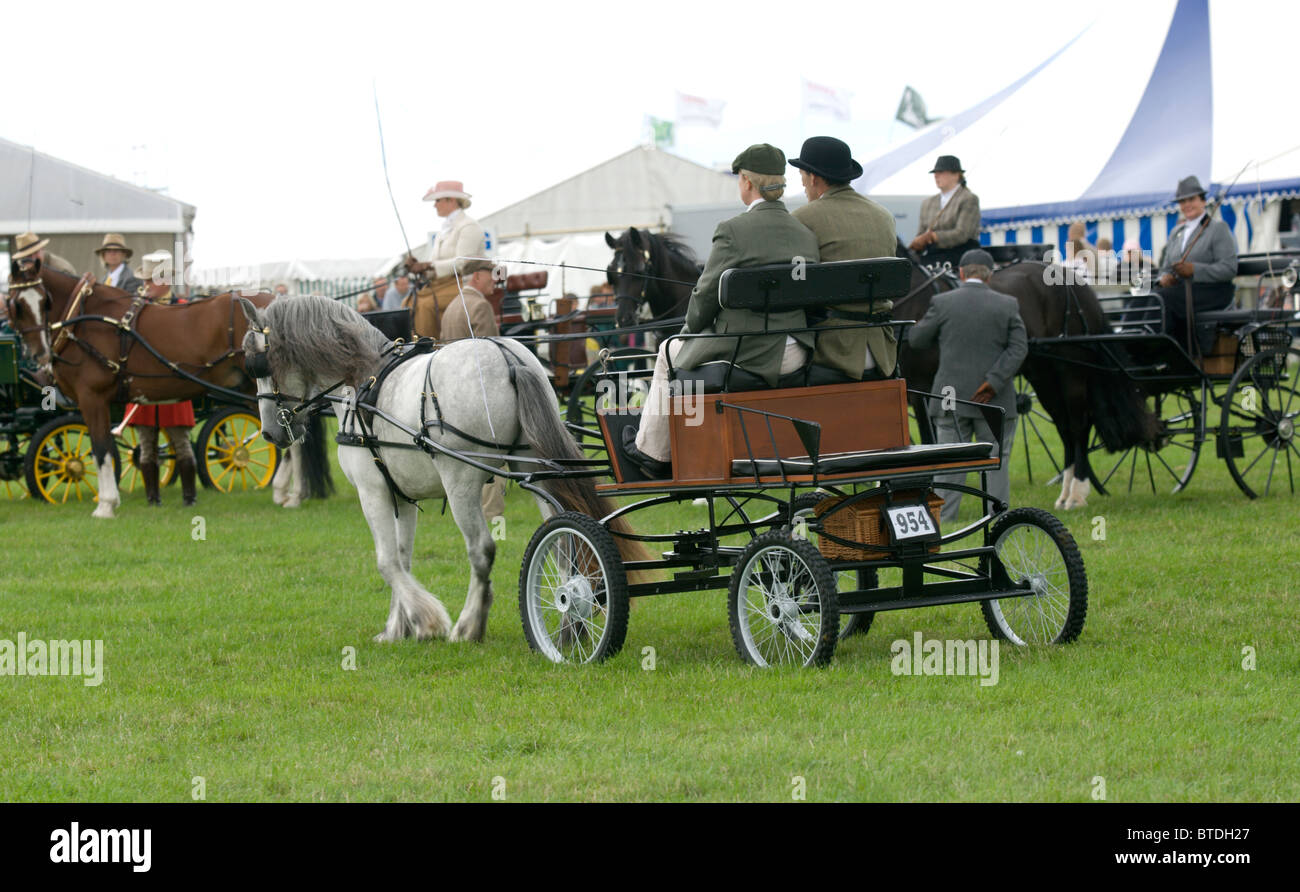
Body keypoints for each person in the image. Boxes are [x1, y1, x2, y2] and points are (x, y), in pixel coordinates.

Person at [622, 143, 819, 478]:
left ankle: (652, 452)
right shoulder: (804, 233)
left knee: (669, 351)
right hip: (798, 350)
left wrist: (689, 332)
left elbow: (704, 296)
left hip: (752, 351)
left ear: (746, 182)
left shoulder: (733, 231)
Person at [907, 248, 1027, 525]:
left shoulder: (942, 302)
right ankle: (998, 521)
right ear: (990, 275)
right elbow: (1019, 348)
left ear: (960, 274)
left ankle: (942, 521)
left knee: (949, 463)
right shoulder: (1008, 304)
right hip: (994, 400)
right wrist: (993, 382)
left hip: (951, 398)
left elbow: (917, 340)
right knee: (996, 462)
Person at [789, 135, 898, 379]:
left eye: (803, 179)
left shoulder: (803, 218)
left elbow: (795, 290)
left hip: (834, 349)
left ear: (814, 178)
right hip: (883, 348)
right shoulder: (884, 216)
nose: (804, 186)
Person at [125, 250, 198, 507]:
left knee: (182, 444)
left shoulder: (182, 308)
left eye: (149, 281)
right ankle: (152, 499)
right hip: (145, 386)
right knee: (146, 446)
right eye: (143, 281)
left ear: (164, 281)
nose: (144, 286)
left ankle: (189, 498)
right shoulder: (136, 310)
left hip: (174, 385)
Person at [437, 258, 506, 522]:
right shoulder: (480, 306)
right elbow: (493, 356)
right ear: (477, 276)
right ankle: (493, 518)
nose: (495, 280)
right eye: (491, 275)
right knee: (494, 459)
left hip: (455, 397)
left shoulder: (453, 306)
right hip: (481, 397)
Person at [1153, 175, 1238, 353]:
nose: (1186, 205)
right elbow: (1166, 266)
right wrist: (1164, 278)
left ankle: (1159, 347)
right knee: (1150, 295)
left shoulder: (1217, 229)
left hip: (1211, 292)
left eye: (1191, 199)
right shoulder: (1177, 232)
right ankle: (1132, 337)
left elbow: (1229, 268)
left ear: (1202, 200)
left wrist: (1194, 270)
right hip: (1181, 291)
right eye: (1182, 201)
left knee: (1164, 298)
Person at [405, 181, 488, 337]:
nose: (434, 205)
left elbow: (463, 262)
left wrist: (429, 266)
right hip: (442, 284)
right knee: (408, 303)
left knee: (425, 306)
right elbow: (433, 266)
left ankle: (431, 348)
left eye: (438, 200)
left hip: (464, 283)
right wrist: (417, 268)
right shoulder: (443, 231)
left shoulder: (469, 226)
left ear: (451, 200)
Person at [908, 156, 981, 271]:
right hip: (932, 255)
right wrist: (918, 242)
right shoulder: (927, 203)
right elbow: (921, 233)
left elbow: (962, 233)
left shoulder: (968, 198)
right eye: (935, 173)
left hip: (960, 256)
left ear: (956, 174)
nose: (936, 176)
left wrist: (933, 236)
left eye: (941, 172)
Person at [12, 231, 76, 276]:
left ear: (42, 249)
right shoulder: (20, 269)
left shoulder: (62, 271)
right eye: (28, 256)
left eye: (36, 252)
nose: (33, 258)